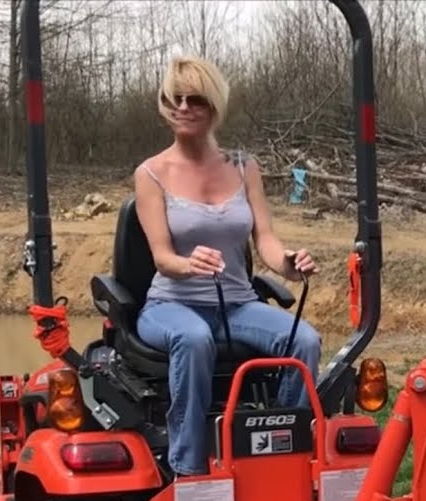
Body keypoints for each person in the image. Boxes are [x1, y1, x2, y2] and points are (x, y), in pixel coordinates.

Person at [133, 55, 322, 478]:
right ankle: (188, 467)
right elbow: (162, 257)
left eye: (195, 99)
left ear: (214, 106)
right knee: (195, 338)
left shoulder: (243, 167)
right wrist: (187, 262)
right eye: (173, 98)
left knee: (305, 341)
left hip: (237, 304)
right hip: (170, 306)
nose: (182, 107)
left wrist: (290, 264)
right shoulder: (150, 174)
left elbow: (267, 240)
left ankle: (278, 455)